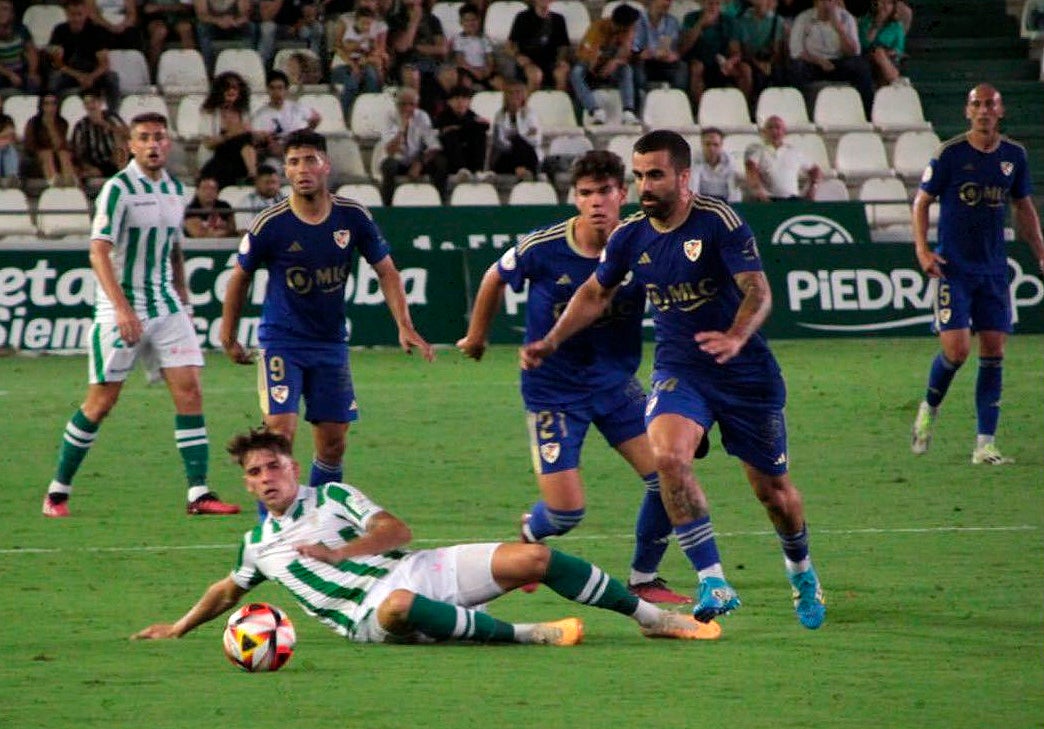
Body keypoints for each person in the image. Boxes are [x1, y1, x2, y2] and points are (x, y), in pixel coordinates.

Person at [519, 130, 827, 630]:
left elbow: (759, 291)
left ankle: (802, 572)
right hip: (679, 370)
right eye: (639, 176)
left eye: (655, 175)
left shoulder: (720, 222)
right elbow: (595, 294)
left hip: (745, 375)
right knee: (667, 457)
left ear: (684, 177)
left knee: (774, 494)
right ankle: (712, 580)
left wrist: (735, 336)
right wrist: (552, 340)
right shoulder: (630, 236)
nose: (644, 186)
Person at [132, 427, 721, 645]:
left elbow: (396, 530)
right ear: (248, 482)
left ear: (292, 466)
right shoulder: (256, 546)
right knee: (399, 608)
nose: (265, 480)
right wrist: (179, 626)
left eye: (274, 467)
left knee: (536, 557)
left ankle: (651, 617)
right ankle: (525, 634)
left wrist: (339, 550)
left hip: (416, 567)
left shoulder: (333, 498)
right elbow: (227, 590)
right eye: (254, 474)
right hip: (370, 615)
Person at [457, 150, 690, 605]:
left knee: (669, 476)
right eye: (586, 194)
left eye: (606, 191)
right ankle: (530, 531)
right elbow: (493, 276)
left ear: (623, 193)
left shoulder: (645, 243)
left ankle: (645, 578)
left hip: (616, 385)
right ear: (575, 199)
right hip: (553, 393)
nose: (597, 202)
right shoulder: (543, 247)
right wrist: (476, 337)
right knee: (567, 512)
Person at [220, 129, 435, 506]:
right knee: (279, 438)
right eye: (293, 162)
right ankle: (272, 533)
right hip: (282, 342)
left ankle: (318, 521)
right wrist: (228, 335)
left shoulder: (352, 216)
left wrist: (404, 324)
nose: (302, 169)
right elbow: (240, 276)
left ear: (326, 165)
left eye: (310, 160)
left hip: (330, 343)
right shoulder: (270, 223)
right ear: (286, 171)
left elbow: (387, 270)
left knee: (333, 445)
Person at [42, 112, 240, 518]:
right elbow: (98, 250)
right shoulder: (117, 190)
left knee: (190, 390)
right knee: (101, 402)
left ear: (169, 144)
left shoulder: (173, 189)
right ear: (131, 146)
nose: (153, 144)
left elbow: (172, 247)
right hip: (122, 308)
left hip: (166, 306)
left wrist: (182, 294)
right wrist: (120, 308)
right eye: (145, 138)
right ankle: (57, 491)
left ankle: (198, 493)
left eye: (160, 137)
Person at [910, 83, 1044, 465]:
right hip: (953, 268)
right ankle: (929, 408)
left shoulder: (1014, 156)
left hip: (994, 270)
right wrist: (922, 250)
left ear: (1001, 112)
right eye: (976, 105)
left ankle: (985, 443)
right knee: (956, 351)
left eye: (990, 105)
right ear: (967, 112)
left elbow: (1024, 209)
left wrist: (1041, 253)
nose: (983, 111)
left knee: (994, 350)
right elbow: (922, 202)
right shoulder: (949, 154)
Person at [787, 0, 875, 118]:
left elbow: (854, 52)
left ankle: (868, 115)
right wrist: (818, 61)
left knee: (861, 67)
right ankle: (796, 114)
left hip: (839, 62)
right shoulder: (803, 18)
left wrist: (839, 29)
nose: (826, 4)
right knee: (795, 68)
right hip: (813, 62)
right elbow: (796, 51)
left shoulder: (846, 18)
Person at [570, 3, 641, 126]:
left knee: (626, 69)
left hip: (610, 69)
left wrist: (615, 61)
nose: (632, 28)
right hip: (591, 67)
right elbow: (585, 55)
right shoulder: (597, 28)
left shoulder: (628, 31)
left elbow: (626, 54)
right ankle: (595, 110)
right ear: (619, 25)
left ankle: (628, 111)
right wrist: (598, 62)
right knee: (576, 73)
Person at [45, 0, 121, 113]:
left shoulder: (97, 31)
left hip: (93, 73)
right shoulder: (59, 31)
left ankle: (113, 114)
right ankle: (55, 114)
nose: (76, 18)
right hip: (69, 73)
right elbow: (57, 63)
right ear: (66, 14)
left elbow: (104, 63)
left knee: (112, 78)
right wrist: (79, 76)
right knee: (54, 80)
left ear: (86, 13)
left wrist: (91, 77)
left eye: (79, 14)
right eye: (72, 15)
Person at [378, 86, 449, 205]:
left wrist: (420, 163)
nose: (407, 108)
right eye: (403, 104)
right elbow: (390, 151)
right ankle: (387, 206)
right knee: (388, 166)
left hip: (416, 159)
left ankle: (442, 203)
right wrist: (402, 128)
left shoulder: (422, 116)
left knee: (441, 162)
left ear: (416, 105)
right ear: (397, 104)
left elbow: (434, 146)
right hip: (397, 161)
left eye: (411, 104)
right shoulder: (389, 117)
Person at [680, 0, 746, 109]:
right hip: (698, 59)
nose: (714, 7)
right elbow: (683, 48)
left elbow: (736, 51)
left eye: (717, 3)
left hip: (721, 62)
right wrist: (700, 25)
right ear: (702, 3)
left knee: (744, 69)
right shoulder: (691, 18)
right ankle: (700, 110)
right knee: (697, 68)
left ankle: (741, 108)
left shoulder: (729, 21)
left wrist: (730, 61)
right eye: (710, 3)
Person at [198, 71, 258, 189]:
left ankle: (252, 174)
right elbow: (208, 143)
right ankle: (253, 174)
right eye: (227, 88)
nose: (231, 91)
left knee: (245, 139)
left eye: (235, 88)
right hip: (216, 157)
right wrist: (231, 133)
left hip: (239, 161)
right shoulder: (210, 112)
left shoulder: (243, 113)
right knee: (242, 138)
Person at [252, 70, 321, 168]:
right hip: (276, 157)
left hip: (299, 150)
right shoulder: (260, 116)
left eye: (280, 88)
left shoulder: (296, 108)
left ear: (286, 90)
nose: (276, 92)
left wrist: (306, 132)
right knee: (271, 166)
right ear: (267, 90)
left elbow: (316, 118)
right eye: (272, 88)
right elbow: (267, 146)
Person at [744, 115, 821, 201]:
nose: (774, 131)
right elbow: (750, 167)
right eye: (770, 128)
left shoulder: (794, 152)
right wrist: (758, 190)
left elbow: (815, 169)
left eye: (777, 128)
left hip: (793, 200)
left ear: (784, 132)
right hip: (769, 200)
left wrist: (813, 187)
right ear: (765, 132)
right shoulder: (758, 150)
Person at [330, 5, 387, 119]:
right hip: (344, 64)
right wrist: (360, 42)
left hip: (362, 64)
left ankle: (370, 115)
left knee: (372, 78)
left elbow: (375, 52)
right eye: (363, 23)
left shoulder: (370, 36)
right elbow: (344, 48)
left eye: (368, 24)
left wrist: (371, 48)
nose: (366, 27)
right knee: (352, 83)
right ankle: (345, 117)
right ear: (356, 21)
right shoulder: (349, 33)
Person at [505, 0, 570, 93]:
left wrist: (561, 60)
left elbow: (564, 46)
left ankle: (558, 104)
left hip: (551, 63)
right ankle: (528, 106)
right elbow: (508, 46)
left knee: (561, 73)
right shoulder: (522, 17)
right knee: (535, 75)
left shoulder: (558, 19)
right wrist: (517, 56)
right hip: (529, 63)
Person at [71, 86, 129, 184]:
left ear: (100, 102)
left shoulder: (112, 117)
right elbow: (77, 151)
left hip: (114, 160)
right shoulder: (81, 125)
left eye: (93, 101)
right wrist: (86, 166)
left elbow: (128, 134)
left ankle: (122, 177)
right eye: (87, 103)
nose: (90, 106)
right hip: (94, 162)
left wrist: (105, 125)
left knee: (121, 142)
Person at [486, 81, 541, 181]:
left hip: (527, 154)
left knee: (518, 141)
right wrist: (521, 136)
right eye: (511, 93)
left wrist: (515, 137)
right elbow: (499, 142)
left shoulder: (531, 114)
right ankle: (521, 171)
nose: (515, 96)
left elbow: (535, 140)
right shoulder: (500, 115)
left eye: (518, 93)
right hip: (507, 156)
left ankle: (521, 170)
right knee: (515, 142)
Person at [434, 84, 489, 182]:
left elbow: (484, 125)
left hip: (468, 153)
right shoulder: (442, 117)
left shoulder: (472, 116)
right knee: (451, 135)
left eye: (464, 98)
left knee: (479, 134)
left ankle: (478, 170)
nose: (460, 102)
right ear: (449, 102)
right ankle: (460, 170)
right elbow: (438, 132)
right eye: (456, 98)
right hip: (449, 156)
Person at [23, 93, 78, 187]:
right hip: (37, 157)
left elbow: (60, 145)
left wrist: (50, 127)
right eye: (47, 104)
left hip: (57, 154)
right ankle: (54, 181)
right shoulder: (33, 122)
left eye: (53, 103)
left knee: (64, 154)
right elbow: (30, 146)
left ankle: (69, 181)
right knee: (47, 153)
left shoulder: (62, 122)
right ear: (41, 106)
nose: (50, 107)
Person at [858, 0, 906, 87]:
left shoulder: (896, 26)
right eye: (882, 2)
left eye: (889, 3)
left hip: (890, 58)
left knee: (882, 56)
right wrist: (877, 24)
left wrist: (891, 52)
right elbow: (864, 44)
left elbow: (899, 48)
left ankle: (892, 81)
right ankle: (896, 80)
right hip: (868, 55)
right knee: (879, 52)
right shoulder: (865, 21)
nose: (885, 6)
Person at [142, 0, 196, 76]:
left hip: (179, 16)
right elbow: (147, 9)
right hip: (155, 17)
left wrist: (162, 7)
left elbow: (186, 7)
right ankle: (152, 73)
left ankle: (191, 69)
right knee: (160, 31)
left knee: (186, 29)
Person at [451, 3, 495, 90]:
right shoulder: (459, 39)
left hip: (483, 70)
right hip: (467, 70)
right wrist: (474, 71)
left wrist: (487, 70)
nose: (470, 23)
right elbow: (460, 60)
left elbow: (490, 59)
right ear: (461, 22)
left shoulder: (484, 39)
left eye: (473, 20)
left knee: (498, 81)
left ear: (479, 20)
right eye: (466, 20)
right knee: (465, 81)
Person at [0, 0, 41, 94]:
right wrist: (10, 75)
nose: (1, 12)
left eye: (5, 9)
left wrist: (32, 72)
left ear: (12, 14)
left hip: (21, 70)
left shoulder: (21, 30)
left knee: (34, 82)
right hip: (3, 73)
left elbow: (31, 52)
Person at [691, 126, 741, 202]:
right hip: (701, 201)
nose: (711, 148)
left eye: (715, 145)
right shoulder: (694, 159)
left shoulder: (730, 161)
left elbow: (733, 192)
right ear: (702, 144)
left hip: (724, 202)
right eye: (708, 144)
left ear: (721, 145)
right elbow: (693, 188)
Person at [183, 173, 237, 238]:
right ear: (197, 191)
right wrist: (222, 232)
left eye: (213, 188)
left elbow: (232, 230)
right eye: (204, 188)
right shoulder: (191, 210)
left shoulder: (225, 207)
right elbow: (198, 234)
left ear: (218, 191)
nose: (209, 192)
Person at [0, 97, 18, 180]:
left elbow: (12, 135)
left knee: (9, 148)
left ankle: (11, 178)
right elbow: (8, 133)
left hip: (5, 148)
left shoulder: (7, 119)